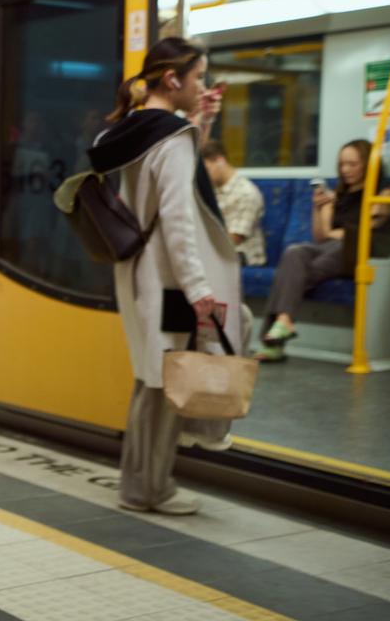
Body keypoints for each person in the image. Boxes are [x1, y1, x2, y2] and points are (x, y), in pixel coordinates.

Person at [98, 38, 240, 516]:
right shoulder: (173, 136)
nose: (202, 84)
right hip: (172, 281)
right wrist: (201, 291)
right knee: (164, 384)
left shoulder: (134, 128)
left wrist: (200, 124)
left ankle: (142, 484)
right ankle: (148, 489)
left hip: (141, 274)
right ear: (174, 80)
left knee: (153, 380)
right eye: (198, 76)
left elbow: (159, 189)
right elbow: (179, 219)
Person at [255, 139, 390, 362]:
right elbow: (321, 236)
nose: (346, 170)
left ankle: (274, 342)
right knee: (294, 251)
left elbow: (361, 230)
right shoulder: (339, 195)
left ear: (368, 164)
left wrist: (336, 233)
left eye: (353, 164)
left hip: (360, 253)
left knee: (295, 272)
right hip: (331, 251)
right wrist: (320, 207)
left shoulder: (384, 193)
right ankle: (283, 321)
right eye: (342, 164)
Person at [201, 142, 266, 266]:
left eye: (206, 170)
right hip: (217, 250)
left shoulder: (246, 192)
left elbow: (235, 239)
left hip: (242, 255)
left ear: (220, 161)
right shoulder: (212, 191)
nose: (204, 177)